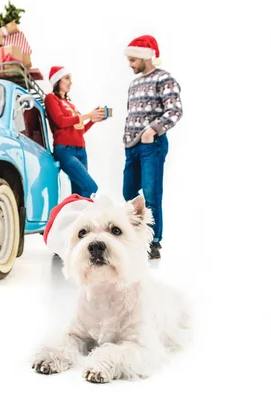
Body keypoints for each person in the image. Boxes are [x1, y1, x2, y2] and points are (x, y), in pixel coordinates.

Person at [122, 35, 183, 259]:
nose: (129, 65)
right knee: (128, 192)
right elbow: (131, 114)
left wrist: (152, 130)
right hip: (132, 147)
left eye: (132, 60)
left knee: (151, 194)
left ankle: (153, 243)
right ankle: (134, 234)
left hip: (152, 146)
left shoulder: (164, 78)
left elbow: (175, 110)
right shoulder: (134, 83)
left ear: (143, 56)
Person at [44, 66, 106, 198]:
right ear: (57, 81)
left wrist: (93, 120)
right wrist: (88, 115)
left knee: (79, 194)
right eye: (67, 78)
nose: (70, 82)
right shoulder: (51, 98)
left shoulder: (71, 105)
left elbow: (80, 129)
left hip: (81, 151)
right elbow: (61, 121)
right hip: (65, 151)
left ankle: (75, 218)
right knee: (90, 187)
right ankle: (82, 218)